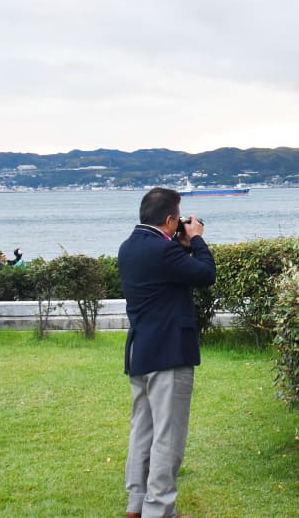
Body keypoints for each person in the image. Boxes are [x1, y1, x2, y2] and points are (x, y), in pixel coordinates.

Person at [118, 186, 216, 518]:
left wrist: (179, 244)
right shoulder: (164, 252)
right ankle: (159, 509)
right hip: (169, 354)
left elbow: (164, 268)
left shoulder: (129, 247)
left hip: (141, 352)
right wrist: (198, 240)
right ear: (171, 219)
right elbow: (206, 274)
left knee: (142, 430)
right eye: (179, 220)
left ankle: (137, 503)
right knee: (168, 435)